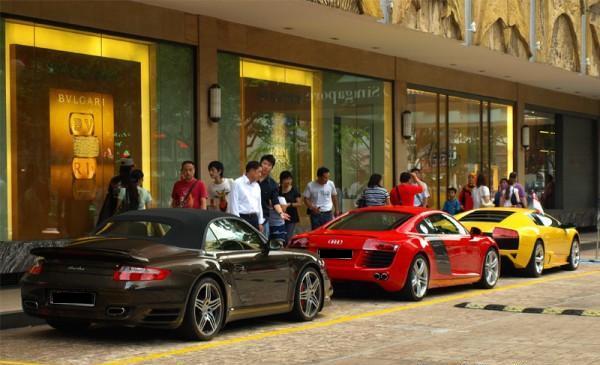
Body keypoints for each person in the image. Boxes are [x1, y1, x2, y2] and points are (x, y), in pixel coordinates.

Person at [97, 155, 134, 226]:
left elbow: (110, 195)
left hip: (111, 212)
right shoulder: (131, 182)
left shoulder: (114, 180)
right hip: (126, 215)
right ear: (130, 168)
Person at [258, 155, 290, 238]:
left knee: (263, 242)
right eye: (264, 163)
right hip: (249, 216)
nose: (266, 167)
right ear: (260, 164)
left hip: (263, 218)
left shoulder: (273, 184)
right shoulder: (252, 179)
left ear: (272, 168)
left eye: (269, 165)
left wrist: (281, 213)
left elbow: (275, 201)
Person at [228, 161, 264, 231]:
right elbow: (233, 205)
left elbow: (259, 205)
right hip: (242, 218)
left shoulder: (257, 186)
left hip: (254, 218)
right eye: (259, 172)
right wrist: (237, 221)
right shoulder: (237, 183)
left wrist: (260, 222)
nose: (260, 175)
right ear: (252, 171)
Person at [279, 170, 302, 243]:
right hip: (279, 216)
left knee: (288, 236)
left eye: (290, 179)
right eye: (286, 179)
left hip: (291, 216)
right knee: (280, 236)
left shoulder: (294, 190)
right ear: (282, 180)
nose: (288, 181)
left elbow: (299, 203)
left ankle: (287, 249)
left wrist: (289, 204)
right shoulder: (277, 189)